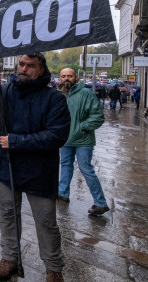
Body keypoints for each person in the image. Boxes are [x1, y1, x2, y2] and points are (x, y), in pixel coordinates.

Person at [0, 53, 71, 282]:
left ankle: (53, 268)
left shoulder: (54, 99)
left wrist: (17, 141)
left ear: (41, 70)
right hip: (5, 165)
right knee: (7, 214)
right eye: (21, 64)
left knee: (46, 220)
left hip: (39, 169)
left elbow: (56, 135)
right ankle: (9, 258)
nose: (24, 69)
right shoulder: (5, 91)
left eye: (30, 66)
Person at [56, 68, 109, 216]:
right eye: (64, 76)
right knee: (65, 165)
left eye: (70, 76)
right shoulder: (58, 94)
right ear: (59, 78)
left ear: (76, 77)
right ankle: (62, 193)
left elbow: (98, 116)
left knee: (86, 168)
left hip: (83, 139)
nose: (67, 78)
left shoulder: (86, 94)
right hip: (65, 138)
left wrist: (81, 128)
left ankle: (100, 203)